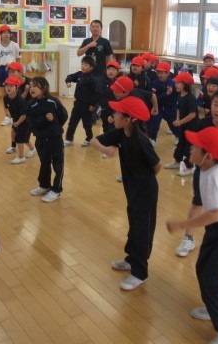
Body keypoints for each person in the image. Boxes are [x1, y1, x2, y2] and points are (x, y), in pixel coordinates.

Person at [166, 126, 218, 344]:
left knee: (211, 280)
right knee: (203, 270)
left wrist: (182, 224)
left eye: (195, 147)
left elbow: (214, 214)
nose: (190, 149)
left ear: (208, 156)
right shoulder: (210, 167)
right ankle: (215, 307)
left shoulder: (213, 175)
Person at [90, 96, 161, 291]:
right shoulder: (121, 133)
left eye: (118, 113)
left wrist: (142, 181)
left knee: (142, 232)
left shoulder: (142, 141)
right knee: (134, 226)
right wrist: (107, 150)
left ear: (128, 119)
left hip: (145, 192)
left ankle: (140, 273)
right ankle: (131, 259)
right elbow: (93, 141)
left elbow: (157, 166)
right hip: (132, 190)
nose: (114, 115)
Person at [174, 88, 218, 257]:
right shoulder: (203, 124)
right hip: (203, 171)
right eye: (215, 104)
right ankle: (188, 238)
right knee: (197, 203)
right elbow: (196, 147)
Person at [26, 77, 68, 203]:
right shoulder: (31, 105)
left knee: (58, 165)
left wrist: (55, 126)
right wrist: (46, 119)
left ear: (44, 88)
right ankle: (44, 185)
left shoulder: (53, 101)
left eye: (35, 86)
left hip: (55, 139)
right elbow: (33, 122)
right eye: (31, 86)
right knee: (44, 163)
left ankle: (56, 190)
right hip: (40, 139)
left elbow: (64, 115)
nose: (32, 88)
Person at [163, 72, 198, 177]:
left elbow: (192, 114)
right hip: (183, 127)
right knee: (180, 144)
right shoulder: (179, 96)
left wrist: (180, 122)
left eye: (179, 83)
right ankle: (177, 161)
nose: (176, 85)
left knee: (188, 147)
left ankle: (189, 167)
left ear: (185, 85)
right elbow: (178, 108)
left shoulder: (191, 98)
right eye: (176, 82)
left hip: (191, 127)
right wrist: (178, 118)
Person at [64, 56, 98, 147]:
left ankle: (89, 139)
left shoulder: (92, 79)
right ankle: (69, 139)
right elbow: (70, 76)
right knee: (72, 122)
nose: (83, 66)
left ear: (91, 67)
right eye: (82, 64)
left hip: (87, 106)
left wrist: (93, 105)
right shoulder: (79, 75)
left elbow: (95, 94)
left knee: (87, 124)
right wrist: (68, 82)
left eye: (85, 65)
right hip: (77, 104)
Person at [6, 62, 36, 159]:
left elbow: (24, 100)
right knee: (13, 130)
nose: (10, 74)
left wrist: (26, 91)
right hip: (18, 112)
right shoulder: (12, 84)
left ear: (20, 72)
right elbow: (14, 100)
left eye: (13, 72)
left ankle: (31, 149)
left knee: (23, 135)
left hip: (29, 112)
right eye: (9, 72)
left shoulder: (30, 83)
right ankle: (13, 146)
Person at [0, 25, 21, 126]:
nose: (6, 34)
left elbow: (18, 59)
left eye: (8, 32)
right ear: (0, 34)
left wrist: (18, 72)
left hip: (13, 70)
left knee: (15, 94)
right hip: (2, 70)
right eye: (4, 32)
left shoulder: (15, 46)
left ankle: (16, 115)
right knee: (4, 96)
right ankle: (7, 116)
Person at [2, 76, 30, 164]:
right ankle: (31, 149)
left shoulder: (20, 100)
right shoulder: (6, 98)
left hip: (25, 121)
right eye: (7, 86)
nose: (8, 88)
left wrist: (17, 123)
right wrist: (9, 117)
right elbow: (8, 108)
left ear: (17, 88)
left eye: (11, 86)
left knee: (20, 138)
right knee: (14, 133)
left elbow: (24, 115)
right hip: (16, 119)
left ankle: (21, 157)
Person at [149, 61, 177, 145]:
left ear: (167, 73)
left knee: (172, 124)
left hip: (170, 108)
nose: (159, 75)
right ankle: (153, 139)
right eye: (158, 72)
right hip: (159, 107)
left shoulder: (173, 84)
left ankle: (177, 136)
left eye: (162, 73)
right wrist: (166, 94)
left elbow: (175, 98)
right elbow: (155, 97)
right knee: (155, 123)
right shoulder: (155, 83)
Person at [97, 61, 121, 135]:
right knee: (105, 127)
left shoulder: (119, 82)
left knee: (114, 127)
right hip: (105, 109)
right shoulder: (102, 81)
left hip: (115, 110)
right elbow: (99, 94)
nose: (111, 71)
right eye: (109, 69)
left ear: (117, 72)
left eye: (113, 70)